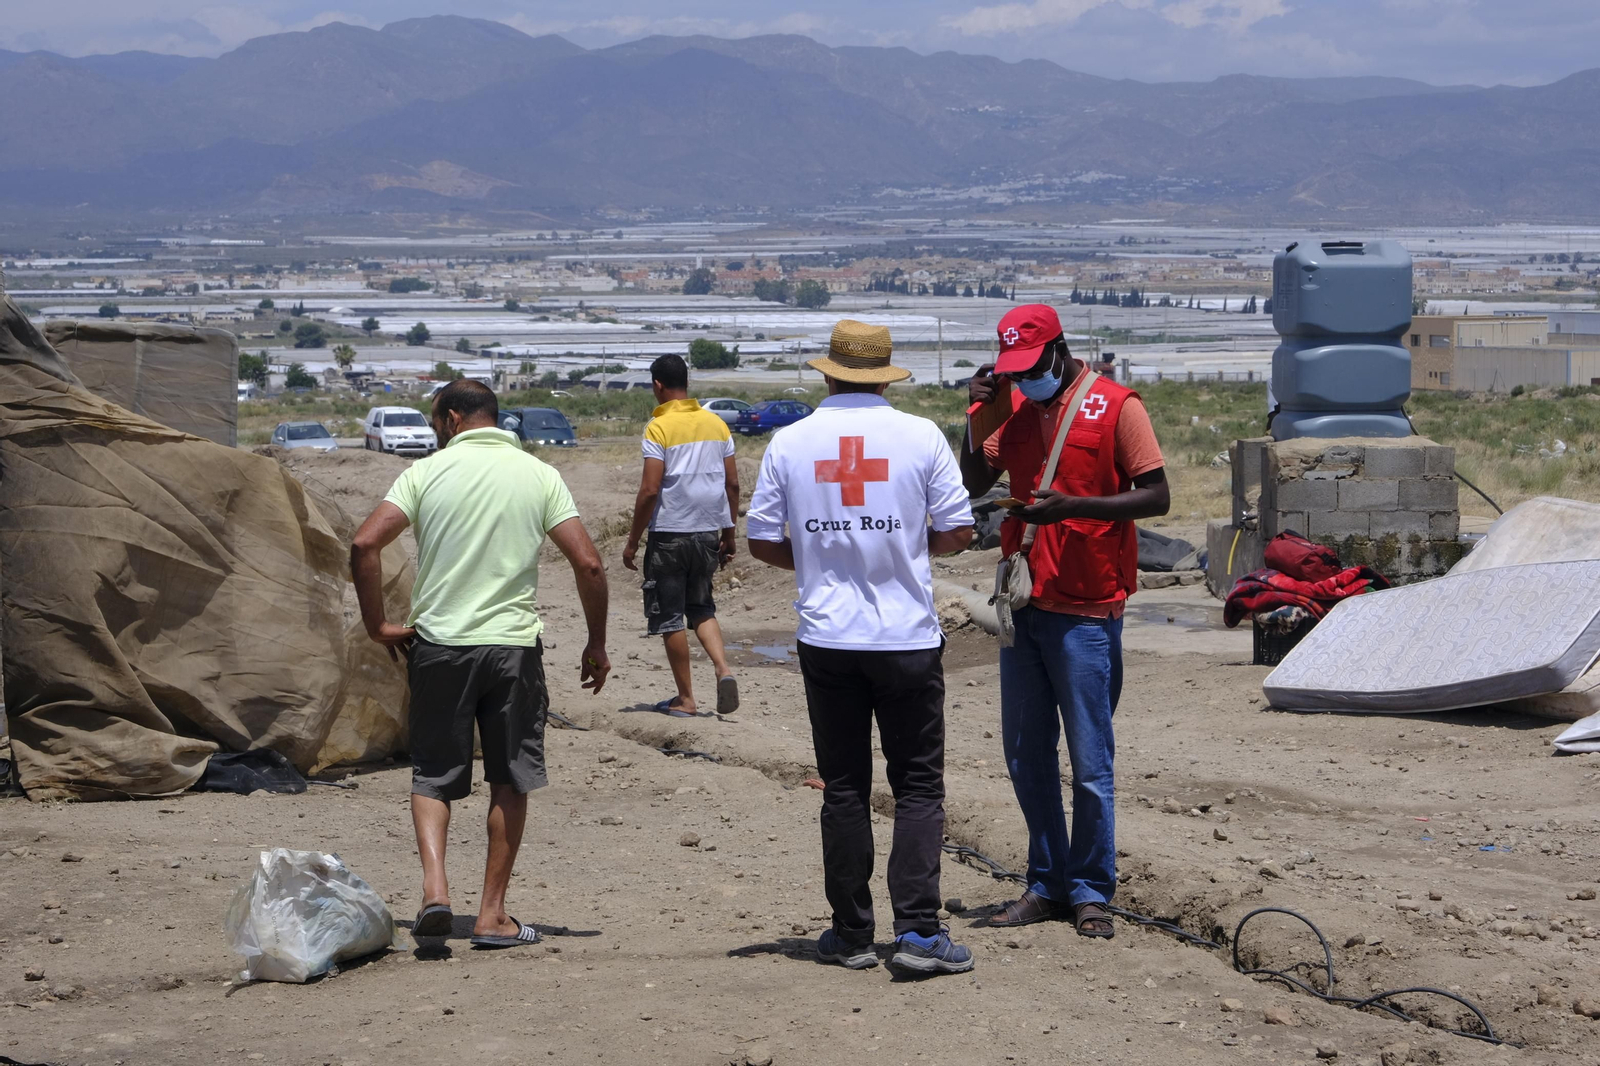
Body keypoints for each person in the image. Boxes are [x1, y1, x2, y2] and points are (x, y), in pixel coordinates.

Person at [746, 320, 976, 977]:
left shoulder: (791, 442)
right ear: (885, 375)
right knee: (918, 785)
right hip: (905, 637)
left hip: (827, 636)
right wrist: (904, 548)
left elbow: (762, 540)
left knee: (844, 786)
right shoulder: (920, 436)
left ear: (827, 373)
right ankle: (920, 935)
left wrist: (820, 558)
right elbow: (958, 531)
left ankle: (850, 935)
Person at [351, 379, 611, 949]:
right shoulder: (539, 475)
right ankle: (492, 916)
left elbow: (365, 543)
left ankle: (436, 892)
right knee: (509, 778)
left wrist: (377, 626)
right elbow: (589, 564)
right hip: (513, 649)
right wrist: (596, 643)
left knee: (433, 774)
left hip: (439, 645)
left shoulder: (424, 474)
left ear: (448, 419)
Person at [959, 304, 1169, 938]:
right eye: (1012, 373)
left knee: (1090, 762)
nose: (1024, 381)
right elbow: (973, 480)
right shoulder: (1015, 411)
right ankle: (1045, 882)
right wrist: (976, 415)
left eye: (1031, 369)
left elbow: (1157, 494)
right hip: (1025, 608)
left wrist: (1076, 505)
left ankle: (1090, 890)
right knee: (1026, 755)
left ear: (1058, 350)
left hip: (1087, 605)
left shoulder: (1117, 406)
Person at [621, 354, 740, 717]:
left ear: (657, 385)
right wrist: (730, 533)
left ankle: (686, 699)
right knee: (702, 607)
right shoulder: (717, 424)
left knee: (669, 616)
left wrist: (631, 541)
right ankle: (724, 669)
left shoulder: (657, 428)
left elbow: (650, 490)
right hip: (707, 532)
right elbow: (732, 483)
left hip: (670, 536)